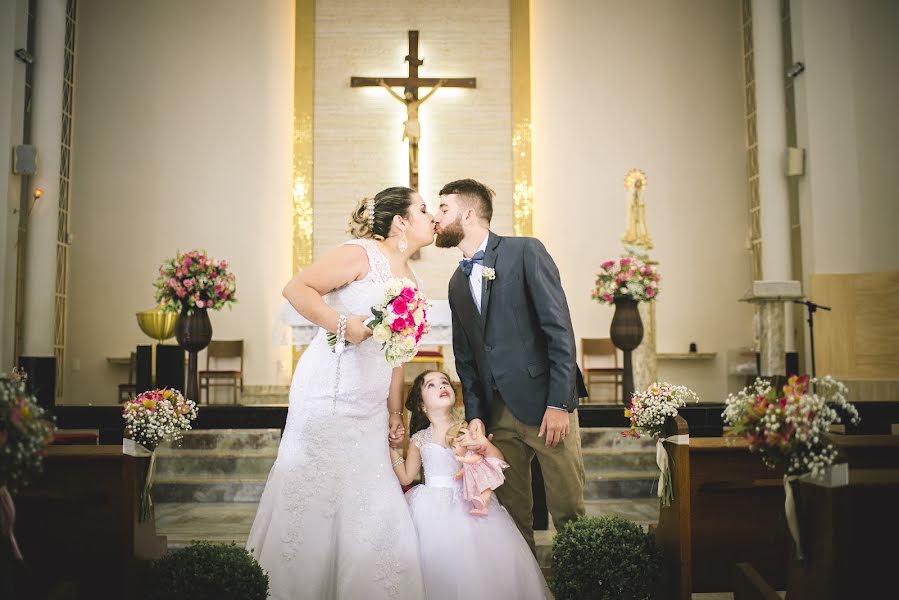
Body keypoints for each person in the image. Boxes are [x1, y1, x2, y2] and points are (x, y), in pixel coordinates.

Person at [245, 186, 434, 599]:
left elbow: (397, 355)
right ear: (400, 222)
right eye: (422, 209)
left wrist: (396, 412)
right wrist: (340, 323)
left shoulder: (411, 278)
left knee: (370, 491)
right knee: (316, 487)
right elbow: (296, 288)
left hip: (369, 403)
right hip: (329, 391)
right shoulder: (360, 253)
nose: (431, 215)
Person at [433, 178, 588, 554]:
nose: (435, 218)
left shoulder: (525, 252)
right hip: (497, 416)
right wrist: (476, 417)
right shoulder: (456, 281)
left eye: (442, 209)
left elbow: (559, 331)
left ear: (468, 214)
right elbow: (466, 358)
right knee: (513, 516)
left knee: (568, 510)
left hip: (545, 406)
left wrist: (559, 404)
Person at [390, 370, 548, 600]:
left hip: (468, 502)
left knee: (478, 565)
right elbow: (406, 478)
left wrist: (484, 444)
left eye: (444, 382)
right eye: (431, 385)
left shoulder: (469, 428)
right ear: (422, 405)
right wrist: (393, 449)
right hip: (431, 510)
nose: (441, 386)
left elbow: (498, 461)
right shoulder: (419, 439)